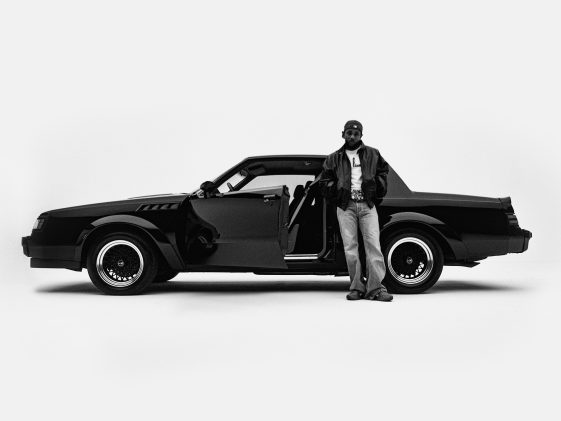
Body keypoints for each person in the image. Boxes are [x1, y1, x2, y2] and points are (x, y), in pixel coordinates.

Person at [320, 120, 393, 302]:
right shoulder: (333, 158)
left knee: (373, 246)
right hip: (346, 207)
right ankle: (356, 288)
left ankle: (376, 289)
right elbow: (325, 181)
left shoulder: (373, 153)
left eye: (356, 133)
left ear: (361, 135)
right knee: (350, 249)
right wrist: (338, 195)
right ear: (343, 134)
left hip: (367, 206)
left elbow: (383, 172)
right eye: (349, 133)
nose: (352, 136)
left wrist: (376, 190)